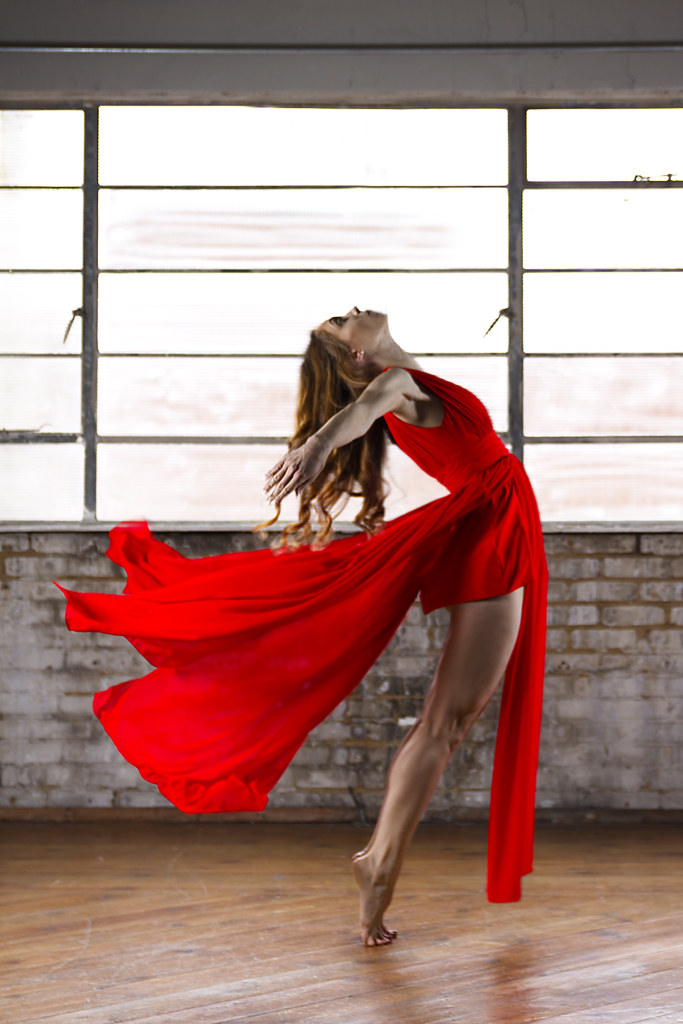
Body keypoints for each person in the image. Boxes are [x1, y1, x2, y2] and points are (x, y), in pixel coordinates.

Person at [57, 306, 547, 947]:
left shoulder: (410, 377)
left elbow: (372, 406)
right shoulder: (394, 383)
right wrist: (318, 443)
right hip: (492, 539)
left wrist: (329, 434)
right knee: (446, 722)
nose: (352, 313)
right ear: (356, 358)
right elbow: (365, 409)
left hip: (496, 526)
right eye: (342, 324)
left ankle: (380, 860)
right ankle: (380, 865)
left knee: (446, 720)